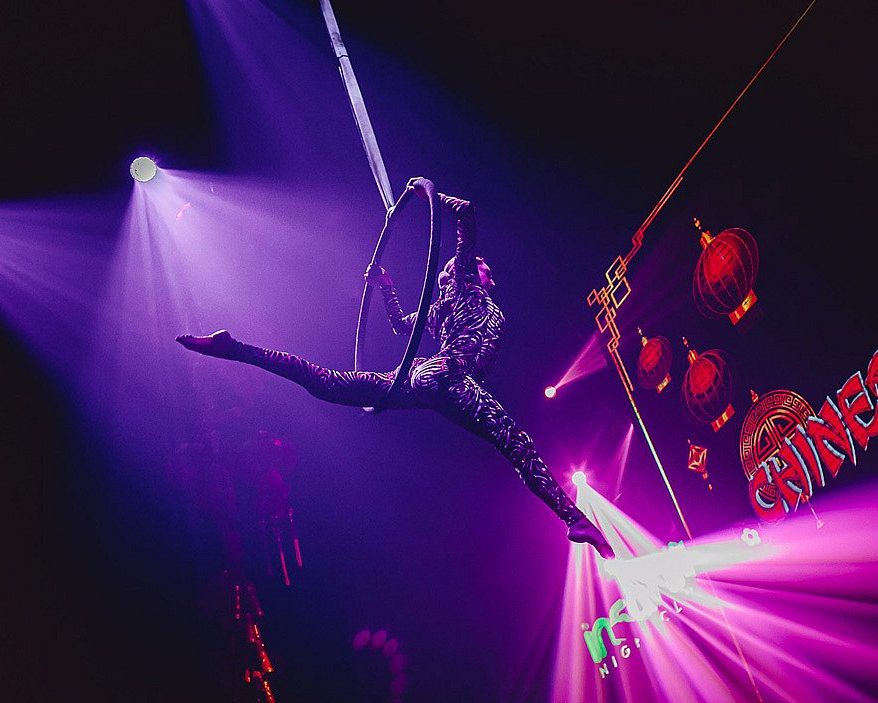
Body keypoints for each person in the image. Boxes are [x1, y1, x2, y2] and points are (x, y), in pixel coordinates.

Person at [177, 179, 614, 559]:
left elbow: (401, 325)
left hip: (427, 380)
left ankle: (236, 349)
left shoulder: (441, 309)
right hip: (449, 376)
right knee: (516, 444)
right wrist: (432, 197)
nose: (487, 268)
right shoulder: (464, 288)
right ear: (458, 273)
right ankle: (573, 518)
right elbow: (466, 214)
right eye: (480, 265)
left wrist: (386, 287)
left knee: (329, 384)